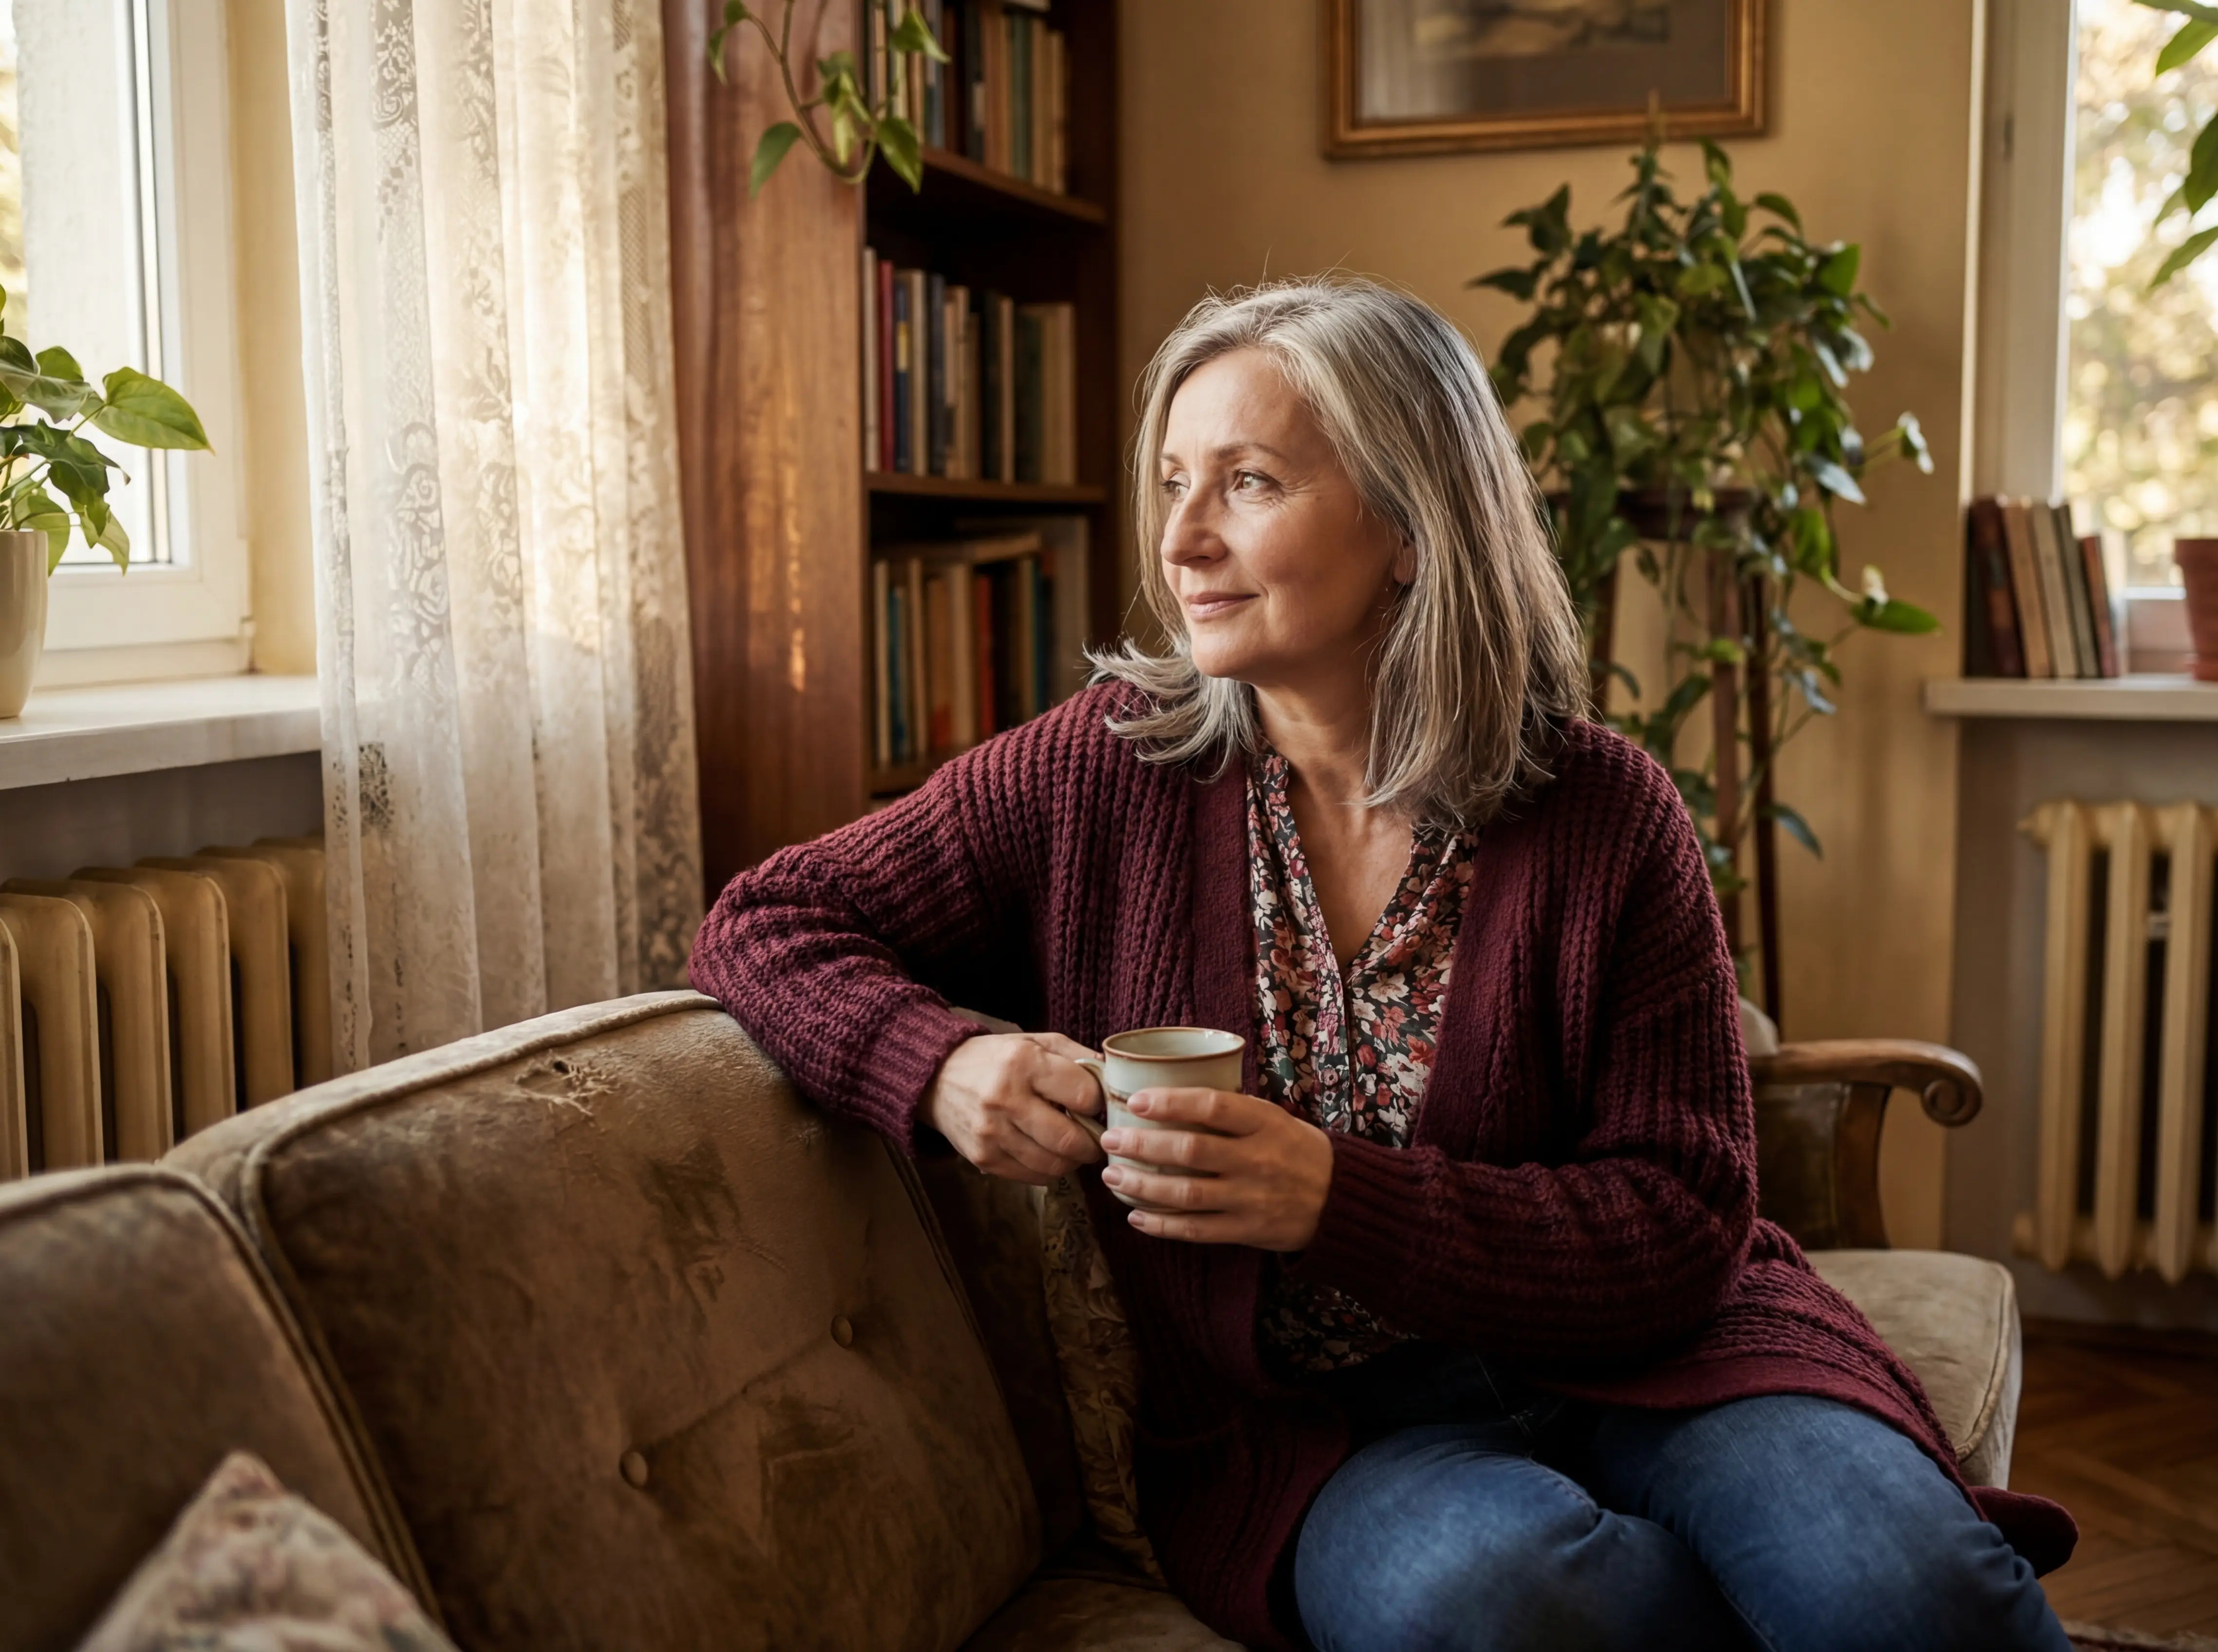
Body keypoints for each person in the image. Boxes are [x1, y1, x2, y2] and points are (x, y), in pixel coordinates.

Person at [689, 275, 2073, 1652]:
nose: (1182, 539)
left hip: (1669, 1360)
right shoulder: (1096, 774)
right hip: (1325, 1434)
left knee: (1911, 1593)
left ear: (1410, 528)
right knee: (1510, 1606)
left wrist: (1336, 1199)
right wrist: (942, 1065)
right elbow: (764, 922)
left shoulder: (1605, 811)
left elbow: (1685, 1218)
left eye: (1250, 483)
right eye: (1173, 480)